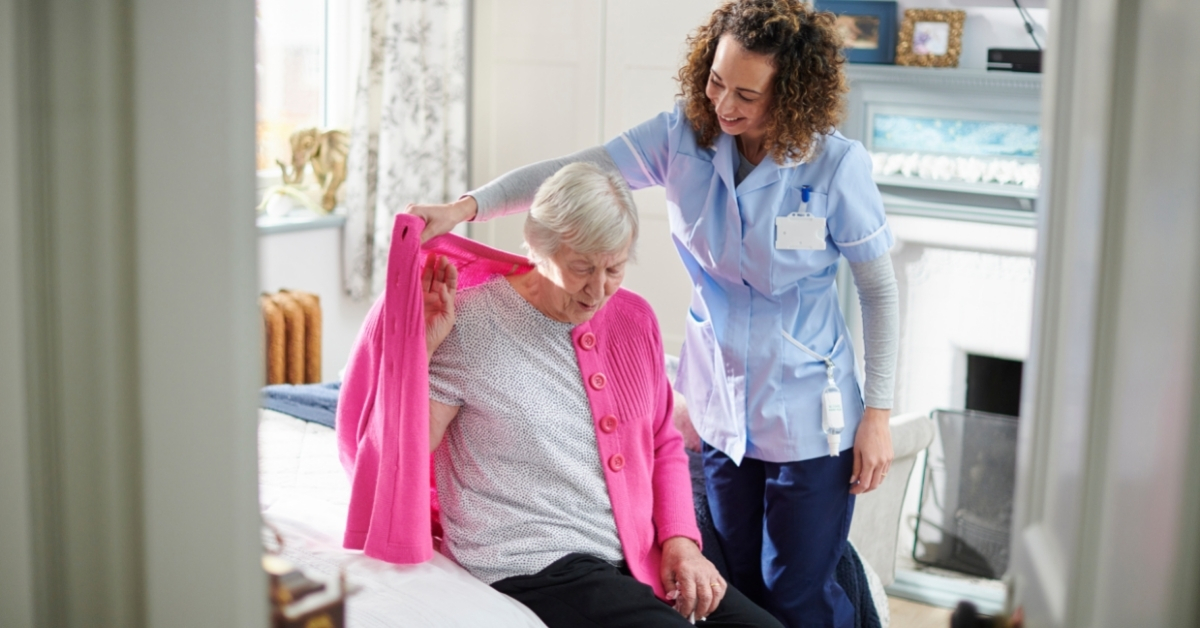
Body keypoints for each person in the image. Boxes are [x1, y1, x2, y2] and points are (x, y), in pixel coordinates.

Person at [409, 1, 899, 626]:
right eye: (716, 80)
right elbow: (571, 172)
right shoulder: (683, 137)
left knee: (798, 590)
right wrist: (466, 208)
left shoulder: (836, 167)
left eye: (747, 94)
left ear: (792, 94)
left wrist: (878, 413)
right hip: (721, 406)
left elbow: (879, 292)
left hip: (808, 410)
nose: (724, 105)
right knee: (739, 576)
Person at [421, 162, 784, 628]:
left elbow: (662, 442)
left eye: (613, 268)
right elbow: (406, 452)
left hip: (629, 557)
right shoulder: (470, 323)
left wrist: (681, 542)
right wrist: (423, 350)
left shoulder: (634, 320)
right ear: (536, 245)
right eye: (580, 269)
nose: (597, 291)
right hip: (530, 562)